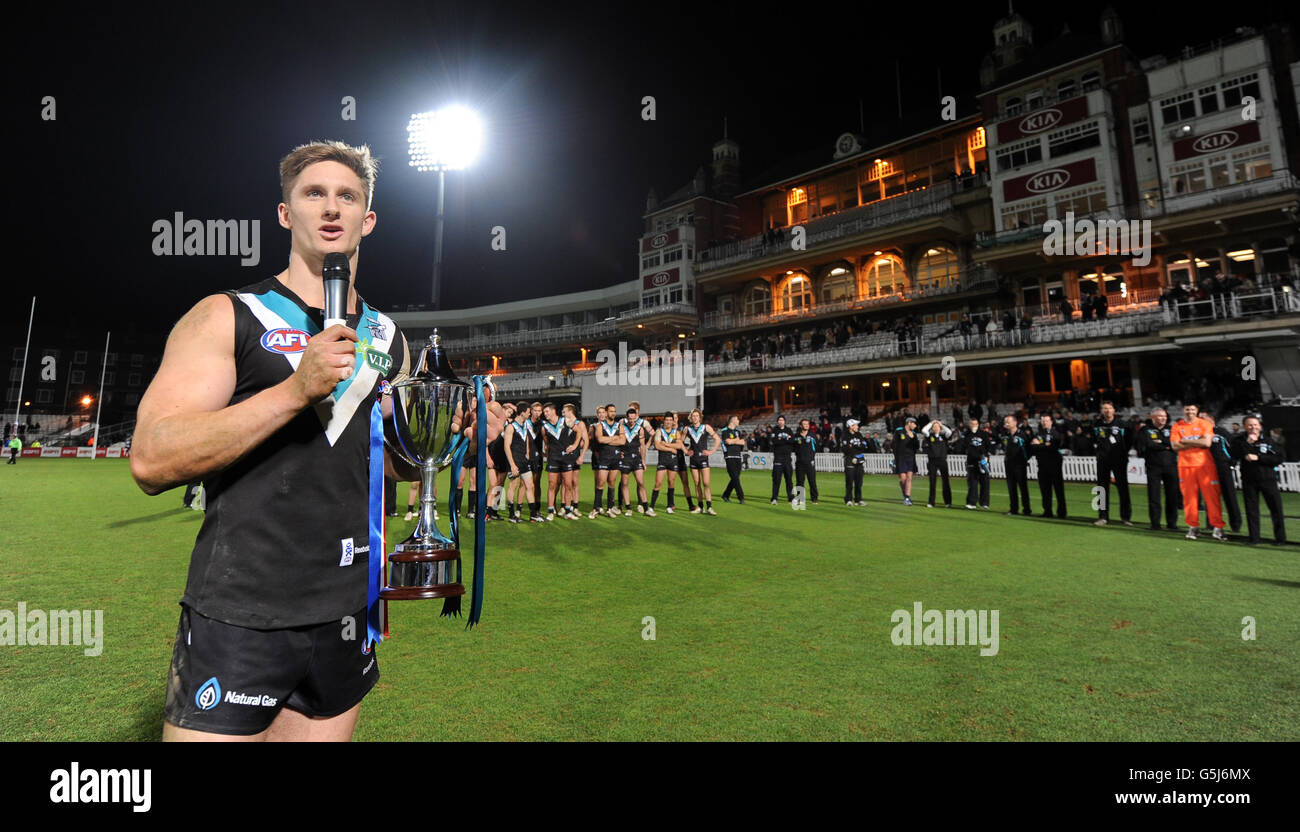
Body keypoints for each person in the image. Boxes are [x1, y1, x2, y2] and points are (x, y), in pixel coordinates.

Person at [129, 140, 501, 742]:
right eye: (313, 193)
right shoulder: (228, 314)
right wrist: (293, 391)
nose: (331, 207)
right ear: (285, 214)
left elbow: (400, 464)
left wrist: (454, 432)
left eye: (347, 196)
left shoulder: (389, 337)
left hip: (349, 609)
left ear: (367, 220)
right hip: (242, 609)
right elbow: (151, 458)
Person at [1170, 403, 1225, 541]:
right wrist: (1196, 442)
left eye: (1192, 409)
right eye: (1187, 409)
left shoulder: (1204, 424)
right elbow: (1175, 446)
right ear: (1184, 410)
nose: (1190, 411)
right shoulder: (1177, 426)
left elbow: (1207, 443)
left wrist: (1186, 441)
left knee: (1211, 497)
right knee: (1189, 500)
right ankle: (1193, 527)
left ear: (1197, 411)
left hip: (1205, 466)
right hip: (1185, 466)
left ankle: (1217, 527)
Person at [1232, 416, 1287, 545]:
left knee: (1276, 509)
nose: (1253, 428)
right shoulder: (1239, 440)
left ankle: (1280, 539)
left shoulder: (1268, 441)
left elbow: (1278, 458)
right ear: (1245, 426)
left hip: (1268, 480)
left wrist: (1259, 458)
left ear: (1260, 426)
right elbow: (1235, 454)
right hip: (1249, 480)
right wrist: (1248, 444)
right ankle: (1254, 538)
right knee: (1251, 510)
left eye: (1255, 425)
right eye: (1250, 425)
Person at [1135, 407, 1179, 532]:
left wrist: (1162, 443)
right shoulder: (1145, 430)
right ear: (1153, 417)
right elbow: (1148, 445)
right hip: (1153, 467)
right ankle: (1155, 523)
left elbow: (1176, 444)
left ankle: (1172, 523)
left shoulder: (1172, 429)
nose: (1163, 418)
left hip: (1171, 466)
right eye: (1160, 416)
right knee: (1154, 496)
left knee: (1172, 496)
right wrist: (1166, 445)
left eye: (1164, 416)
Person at [1092, 400, 1133, 527]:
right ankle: (1103, 517)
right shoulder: (1096, 424)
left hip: (1119, 460)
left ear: (1114, 410)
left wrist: (1122, 453)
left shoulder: (1123, 424)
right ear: (1101, 410)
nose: (1107, 410)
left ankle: (1125, 517)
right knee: (1102, 488)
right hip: (1103, 460)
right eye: (1104, 408)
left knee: (1123, 488)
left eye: (1109, 408)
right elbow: (1094, 439)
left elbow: (1130, 440)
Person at [1204, 411, 1243, 534]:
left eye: (1204, 419)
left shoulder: (1221, 432)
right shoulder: (1199, 434)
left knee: (1229, 496)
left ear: (1212, 420)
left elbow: (1234, 447)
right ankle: (1211, 524)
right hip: (1207, 470)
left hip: (1223, 468)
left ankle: (1235, 524)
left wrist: (1232, 462)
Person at [503, 401, 539, 523]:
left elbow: (527, 440)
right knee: (513, 486)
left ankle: (533, 514)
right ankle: (512, 514)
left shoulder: (524, 425)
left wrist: (528, 453)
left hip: (524, 460)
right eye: (529, 412)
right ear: (523, 413)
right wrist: (512, 465)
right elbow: (506, 446)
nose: (530, 414)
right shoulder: (510, 427)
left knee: (530, 486)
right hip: (514, 461)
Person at [683, 409, 720, 514]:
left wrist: (712, 451)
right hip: (693, 460)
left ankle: (709, 507)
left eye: (696, 416)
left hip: (703, 459)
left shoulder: (706, 427)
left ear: (700, 417)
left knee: (706, 483)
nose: (695, 418)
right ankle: (700, 507)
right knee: (697, 483)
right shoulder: (687, 429)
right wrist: (686, 451)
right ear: (691, 417)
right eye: (693, 416)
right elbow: (680, 441)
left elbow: (718, 439)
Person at [539, 402, 572, 520]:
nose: (545, 414)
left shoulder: (566, 421)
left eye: (547, 411)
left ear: (553, 411)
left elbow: (579, 431)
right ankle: (550, 511)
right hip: (553, 458)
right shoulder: (545, 427)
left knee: (568, 485)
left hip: (566, 458)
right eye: (544, 412)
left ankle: (568, 511)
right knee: (552, 485)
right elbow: (546, 443)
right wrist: (548, 455)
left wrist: (574, 445)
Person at [1030, 414, 1067, 518]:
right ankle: (1047, 511)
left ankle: (1062, 512)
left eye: (1046, 420)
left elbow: (1053, 446)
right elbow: (1033, 447)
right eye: (1043, 421)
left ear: (1051, 422)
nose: (1044, 422)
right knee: (1045, 490)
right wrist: (1044, 445)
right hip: (1042, 465)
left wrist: (1039, 445)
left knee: (1059, 490)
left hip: (1054, 465)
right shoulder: (1038, 433)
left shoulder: (1056, 433)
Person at [592, 402, 625, 516]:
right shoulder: (600, 426)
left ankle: (610, 508)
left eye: (614, 411)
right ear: (606, 413)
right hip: (604, 458)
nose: (613, 413)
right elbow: (600, 439)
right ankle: (596, 508)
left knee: (612, 482)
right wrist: (614, 438)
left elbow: (623, 441)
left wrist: (609, 440)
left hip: (615, 458)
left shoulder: (619, 426)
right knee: (600, 482)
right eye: (611, 411)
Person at [618, 405, 652, 515]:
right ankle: (628, 508)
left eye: (634, 418)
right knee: (624, 484)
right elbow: (617, 441)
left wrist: (643, 461)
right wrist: (619, 453)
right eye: (630, 418)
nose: (632, 421)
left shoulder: (640, 429)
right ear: (626, 418)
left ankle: (646, 508)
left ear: (636, 417)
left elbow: (642, 446)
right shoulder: (621, 427)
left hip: (636, 459)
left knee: (641, 483)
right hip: (625, 459)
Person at [650, 413, 684, 514]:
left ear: (673, 421)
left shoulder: (677, 432)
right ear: (664, 421)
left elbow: (679, 445)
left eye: (670, 420)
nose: (668, 422)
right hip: (662, 461)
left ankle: (669, 506)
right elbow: (657, 446)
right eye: (667, 420)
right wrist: (671, 449)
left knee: (671, 482)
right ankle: (651, 506)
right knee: (658, 483)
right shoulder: (659, 431)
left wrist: (667, 444)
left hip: (673, 461)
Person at [1001, 414, 1032, 516]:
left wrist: (1023, 460)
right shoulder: (1005, 435)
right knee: (1011, 488)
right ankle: (1013, 509)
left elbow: (1029, 450)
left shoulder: (1022, 435)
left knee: (1023, 488)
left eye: (1008, 422)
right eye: (1005, 422)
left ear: (1015, 423)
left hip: (1019, 466)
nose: (1006, 424)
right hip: (1009, 465)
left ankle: (1027, 509)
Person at [560, 404, 584, 519]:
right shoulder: (562, 422)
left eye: (564, 411)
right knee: (564, 482)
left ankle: (575, 506)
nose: (562, 413)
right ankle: (563, 506)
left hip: (575, 456)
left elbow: (586, 441)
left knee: (574, 482)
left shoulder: (580, 423)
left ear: (570, 411)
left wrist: (581, 454)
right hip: (564, 456)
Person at [921, 419, 952, 508]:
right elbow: (924, 430)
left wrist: (941, 425)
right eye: (934, 427)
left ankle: (948, 502)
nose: (936, 428)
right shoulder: (929, 436)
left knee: (945, 481)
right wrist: (931, 423)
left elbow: (949, 432)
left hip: (942, 460)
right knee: (932, 482)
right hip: (932, 461)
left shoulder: (944, 436)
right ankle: (931, 502)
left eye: (937, 426)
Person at [961, 418, 991, 509]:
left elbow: (988, 446)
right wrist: (971, 434)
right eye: (972, 424)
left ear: (978, 424)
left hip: (983, 461)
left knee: (985, 483)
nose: (974, 425)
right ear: (969, 425)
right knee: (972, 483)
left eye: (975, 424)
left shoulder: (984, 434)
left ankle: (984, 503)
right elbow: (964, 446)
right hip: (971, 461)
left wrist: (986, 456)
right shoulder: (966, 434)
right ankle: (971, 502)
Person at [718, 415, 746, 504]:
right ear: (732, 420)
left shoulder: (738, 431)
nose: (738, 421)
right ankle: (741, 497)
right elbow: (727, 442)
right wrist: (736, 440)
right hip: (729, 456)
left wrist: (733, 440)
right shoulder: (725, 431)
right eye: (737, 419)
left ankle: (726, 495)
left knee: (735, 478)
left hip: (738, 456)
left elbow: (742, 442)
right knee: (735, 478)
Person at [769, 415, 796, 504]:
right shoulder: (774, 430)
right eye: (779, 420)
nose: (781, 421)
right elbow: (775, 441)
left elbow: (792, 441)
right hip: (778, 458)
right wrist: (786, 439)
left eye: (782, 420)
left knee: (789, 479)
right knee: (776, 479)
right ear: (777, 422)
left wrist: (781, 439)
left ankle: (791, 498)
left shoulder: (789, 430)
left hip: (787, 458)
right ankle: (774, 498)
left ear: (785, 421)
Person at [893, 416, 920, 505]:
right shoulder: (899, 431)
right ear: (909, 423)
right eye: (914, 423)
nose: (915, 426)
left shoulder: (914, 434)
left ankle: (907, 498)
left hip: (911, 458)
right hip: (901, 458)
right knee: (903, 480)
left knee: (909, 478)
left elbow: (917, 447)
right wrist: (895, 458)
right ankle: (905, 495)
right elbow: (894, 445)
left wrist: (914, 439)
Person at [793, 418, 820, 505]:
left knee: (812, 481)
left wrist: (811, 456)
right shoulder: (796, 436)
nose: (806, 425)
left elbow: (817, 447)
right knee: (800, 481)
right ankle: (800, 498)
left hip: (809, 462)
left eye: (807, 424)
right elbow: (793, 448)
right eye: (804, 424)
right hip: (799, 462)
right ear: (801, 425)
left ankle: (814, 498)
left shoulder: (812, 435)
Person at [841, 419, 867, 505]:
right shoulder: (845, 436)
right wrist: (855, 448)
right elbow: (845, 449)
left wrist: (854, 445)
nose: (857, 427)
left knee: (859, 482)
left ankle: (858, 500)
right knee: (849, 481)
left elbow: (864, 446)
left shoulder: (859, 434)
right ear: (851, 426)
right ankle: (848, 500)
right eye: (856, 425)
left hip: (859, 460)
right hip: (849, 460)